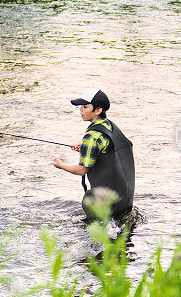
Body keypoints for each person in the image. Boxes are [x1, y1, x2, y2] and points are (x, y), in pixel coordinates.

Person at [53, 89, 135, 222]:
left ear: (98, 110)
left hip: (103, 204)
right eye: (81, 106)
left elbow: (82, 170)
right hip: (123, 201)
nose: (80, 110)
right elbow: (107, 149)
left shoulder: (91, 136)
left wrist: (61, 165)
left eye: (85, 107)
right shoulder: (110, 126)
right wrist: (85, 148)